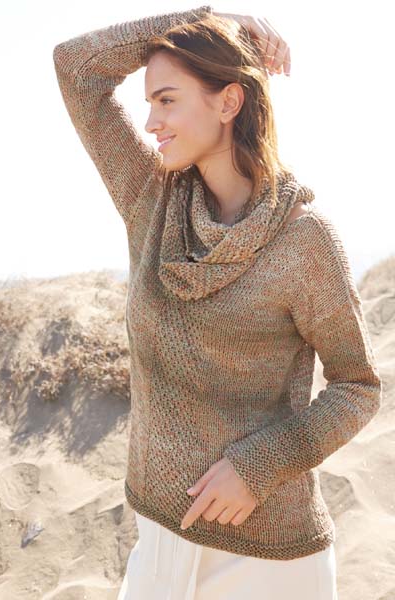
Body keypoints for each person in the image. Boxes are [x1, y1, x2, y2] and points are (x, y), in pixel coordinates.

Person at [53, 6, 382, 600]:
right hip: (158, 547)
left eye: (167, 100)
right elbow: (76, 67)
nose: (150, 121)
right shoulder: (150, 203)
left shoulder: (304, 241)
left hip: (271, 561)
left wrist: (259, 467)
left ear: (229, 102)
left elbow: (357, 386)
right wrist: (207, 17)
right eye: (149, 102)